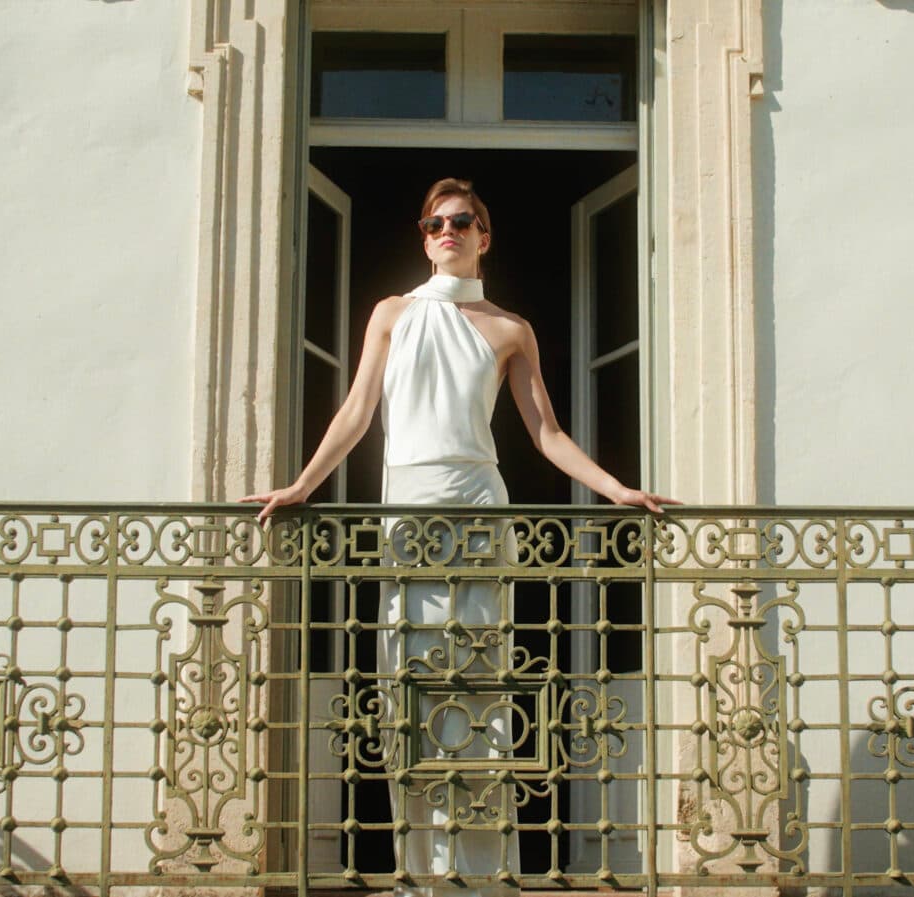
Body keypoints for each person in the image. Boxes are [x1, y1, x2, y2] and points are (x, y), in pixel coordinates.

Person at [244, 178, 676, 896]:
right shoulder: (393, 312)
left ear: (484, 235)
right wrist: (301, 485)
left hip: (479, 508)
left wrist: (616, 490)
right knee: (408, 683)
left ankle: (479, 873)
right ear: (424, 236)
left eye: (462, 220)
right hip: (408, 510)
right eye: (436, 221)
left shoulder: (511, 328)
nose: (448, 229)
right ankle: (419, 874)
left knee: (477, 686)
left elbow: (547, 432)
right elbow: (357, 409)